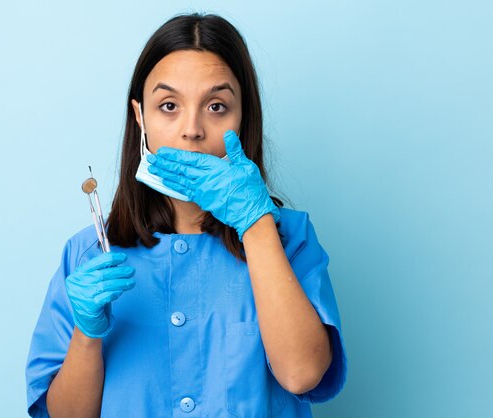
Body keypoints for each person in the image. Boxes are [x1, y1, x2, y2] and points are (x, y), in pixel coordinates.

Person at [26, 13, 347, 418]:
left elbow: (302, 375)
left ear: (243, 116)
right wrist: (87, 336)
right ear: (140, 116)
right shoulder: (87, 253)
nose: (191, 130)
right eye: (168, 106)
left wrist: (255, 223)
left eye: (216, 106)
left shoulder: (290, 238)